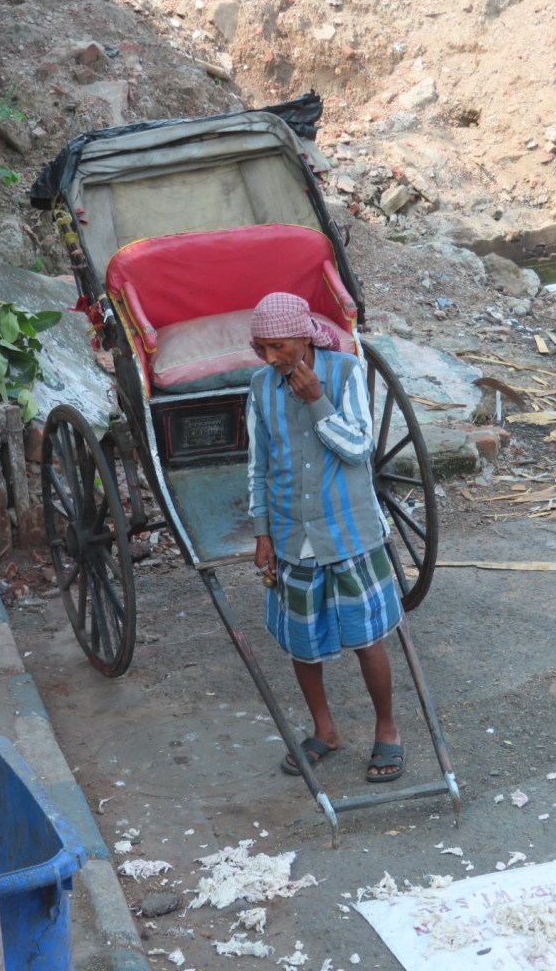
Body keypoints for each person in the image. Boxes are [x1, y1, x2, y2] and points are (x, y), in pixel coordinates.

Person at [246, 291, 405, 782]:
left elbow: (357, 450)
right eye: (263, 348)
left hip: (349, 531)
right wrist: (263, 533)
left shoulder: (345, 373)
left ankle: (387, 730)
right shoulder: (260, 387)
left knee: (367, 640)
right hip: (292, 532)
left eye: (278, 347)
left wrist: (317, 400)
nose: (270, 358)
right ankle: (325, 730)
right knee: (302, 643)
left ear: (305, 339)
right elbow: (258, 465)